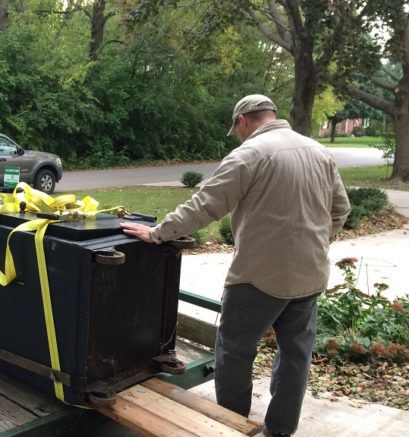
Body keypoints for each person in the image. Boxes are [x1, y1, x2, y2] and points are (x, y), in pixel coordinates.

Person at [121, 95, 351, 437]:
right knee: (295, 359)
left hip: (258, 278)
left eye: (237, 130)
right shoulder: (317, 151)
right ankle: (280, 432)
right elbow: (341, 209)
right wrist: (316, 244)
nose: (238, 135)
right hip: (309, 276)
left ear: (244, 120)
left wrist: (157, 233)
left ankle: (230, 428)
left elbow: (205, 205)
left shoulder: (250, 154)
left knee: (233, 354)